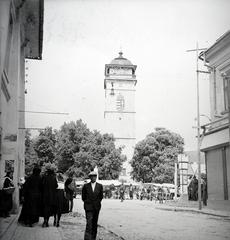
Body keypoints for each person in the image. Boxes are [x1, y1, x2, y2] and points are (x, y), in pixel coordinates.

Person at [82, 171, 103, 240]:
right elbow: (83, 197)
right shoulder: (86, 186)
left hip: (96, 207)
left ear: (96, 177)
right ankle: (87, 238)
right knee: (89, 223)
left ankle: (93, 238)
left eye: (95, 176)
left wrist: (97, 203)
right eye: (92, 176)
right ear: (90, 177)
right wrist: (87, 203)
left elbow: (101, 197)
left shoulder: (100, 186)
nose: (93, 178)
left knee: (94, 224)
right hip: (88, 207)